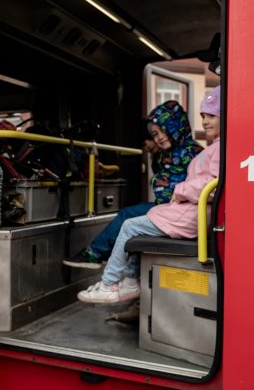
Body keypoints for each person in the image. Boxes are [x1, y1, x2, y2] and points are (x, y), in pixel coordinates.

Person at [77, 86, 221, 303]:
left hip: (189, 214)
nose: (205, 121)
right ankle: (130, 282)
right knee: (136, 222)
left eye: (211, 115)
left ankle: (109, 282)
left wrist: (178, 190)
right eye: (203, 116)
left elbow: (209, 184)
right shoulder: (200, 151)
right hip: (185, 211)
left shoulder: (202, 151)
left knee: (130, 223)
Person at [63, 100, 203, 269]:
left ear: (174, 126)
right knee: (132, 216)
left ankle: (96, 255)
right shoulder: (172, 152)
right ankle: (124, 272)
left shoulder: (190, 153)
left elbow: (191, 186)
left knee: (128, 216)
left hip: (179, 211)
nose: (157, 139)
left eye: (161, 132)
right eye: (154, 135)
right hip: (170, 208)